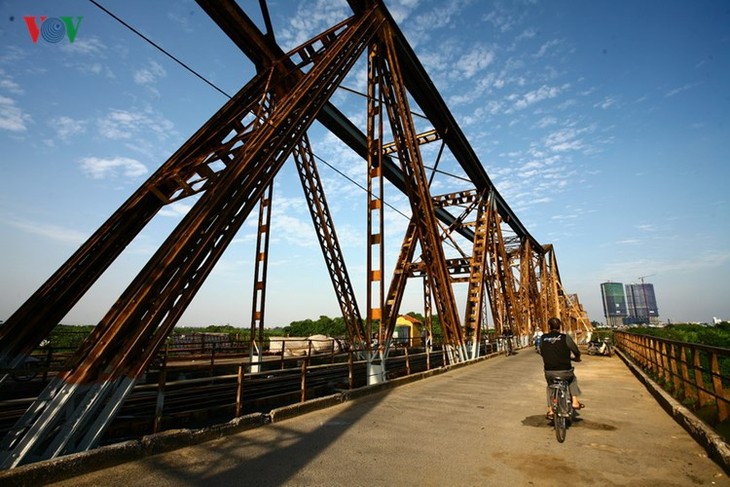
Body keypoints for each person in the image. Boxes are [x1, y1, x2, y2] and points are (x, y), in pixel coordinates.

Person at [540, 317, 584, 419]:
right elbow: (576, 351)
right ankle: (575, 401)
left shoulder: (543, 338)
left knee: (550, 385)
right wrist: (577, 357)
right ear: (559, 327)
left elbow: (541, 351)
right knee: (572, 379)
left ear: (549, 327)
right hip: (565, 371)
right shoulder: (565, 337)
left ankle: (550, 410)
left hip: (549, 371)